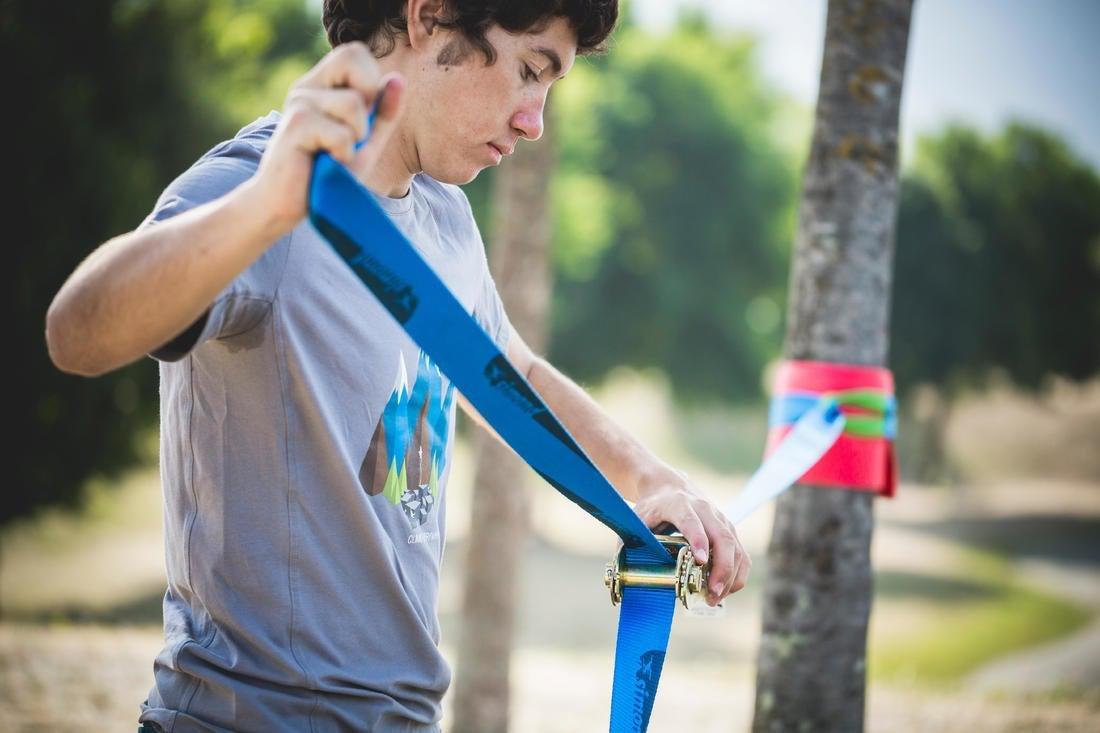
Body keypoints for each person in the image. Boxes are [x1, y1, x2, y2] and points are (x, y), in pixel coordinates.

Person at [45, 1, 750, 730]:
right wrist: (266, 204)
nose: (533, 120)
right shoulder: (258, 186)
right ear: (429, 15)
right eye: (529, 71)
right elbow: (76, 333)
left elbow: (513, 372)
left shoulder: (444, 215)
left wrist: (650, 482)